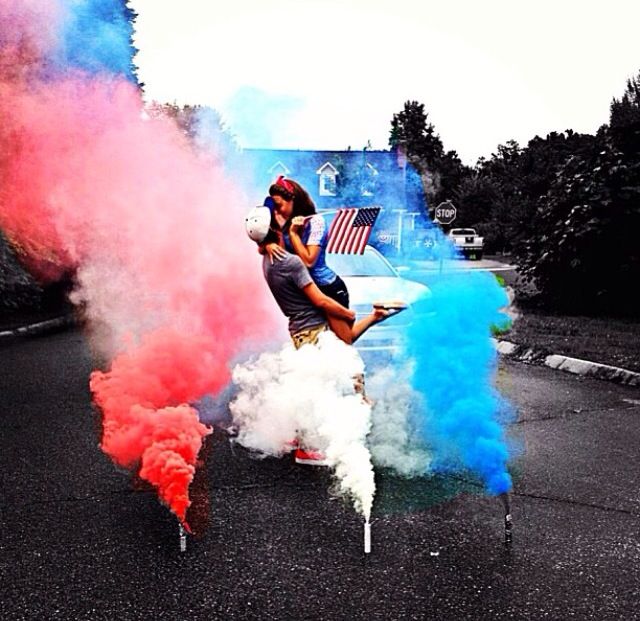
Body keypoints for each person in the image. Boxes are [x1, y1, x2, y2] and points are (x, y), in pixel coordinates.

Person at [245, 205, 394, 466]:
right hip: (312, 329)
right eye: (277, 218)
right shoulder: (289, 262)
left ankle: (294, 434)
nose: (283, 216)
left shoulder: (268, 259)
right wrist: (347, 313)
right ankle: (305, 447)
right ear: (272, 229)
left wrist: (371, 318)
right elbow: (320, 300)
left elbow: (346, 339)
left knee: (330, 374)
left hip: (303, 329)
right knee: (322, 385)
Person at [264, 176, 354, 344]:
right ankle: (377, 315)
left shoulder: (316, 222)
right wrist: (269, 244)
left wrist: (293, 234)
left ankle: (376, 316)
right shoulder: (286, 225)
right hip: (310, 293)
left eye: (279, 205)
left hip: (329, 289)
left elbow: (309, 261)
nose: (277, 211)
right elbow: (279, 254)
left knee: (343, 342)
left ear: (293, 200)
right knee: (329, 345)